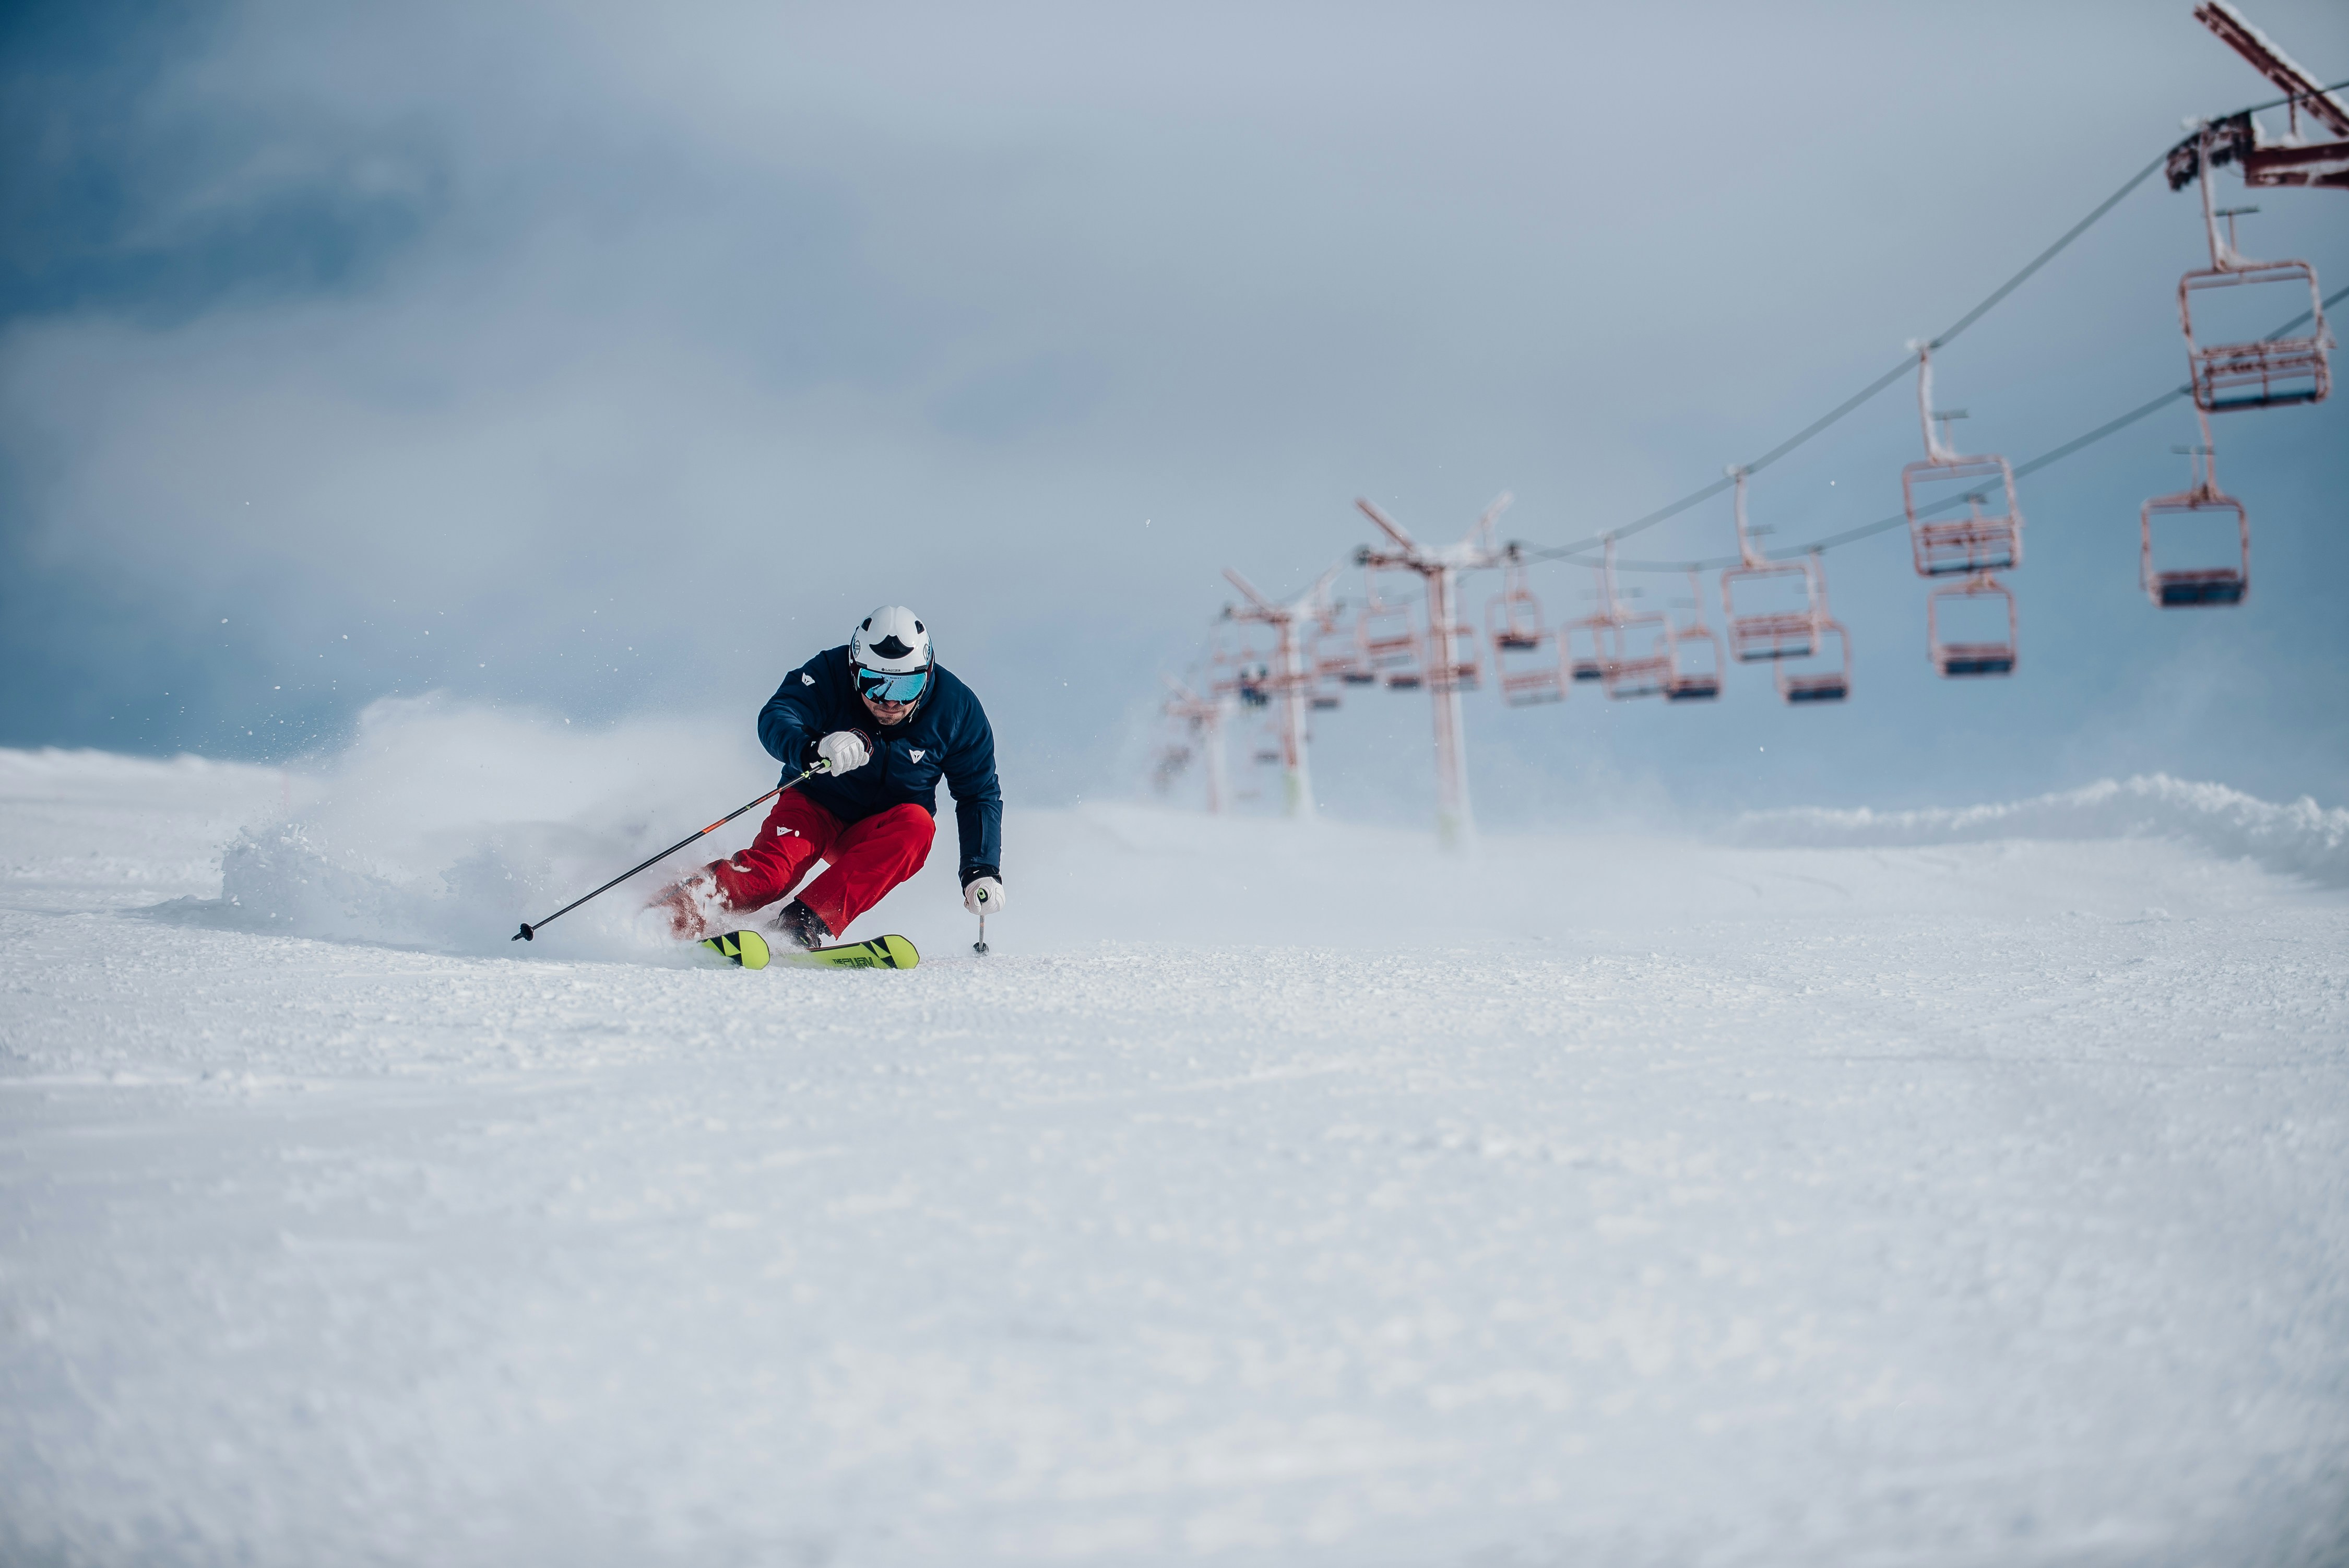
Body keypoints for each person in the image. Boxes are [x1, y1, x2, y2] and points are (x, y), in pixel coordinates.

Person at [651, 605, 1003, 948]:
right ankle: (671, 915)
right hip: (814, 804)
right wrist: (812, 747)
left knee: (918, 826)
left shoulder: (958, 709)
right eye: (874, 684)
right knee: (770, 877)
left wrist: (980, 868)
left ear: (926, 675)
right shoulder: (828, 674)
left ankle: (801, 924)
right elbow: (777, 715)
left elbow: (978, 794)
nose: (890, 702)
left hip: (880, 832)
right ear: (854, 670)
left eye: (905, 688)